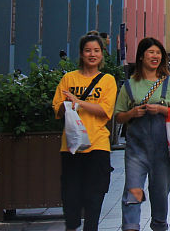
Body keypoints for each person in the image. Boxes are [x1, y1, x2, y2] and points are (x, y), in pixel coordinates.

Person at [113, 38, 170, 231]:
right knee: (134, 191)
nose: (155, 56)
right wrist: (131, 113)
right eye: (151, 52)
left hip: (162, 151)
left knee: (159, 193)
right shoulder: (129, 85)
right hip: (136, 152)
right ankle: (131, 226)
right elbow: (118, 116)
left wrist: (161, 110)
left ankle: (159, 225)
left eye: (158, 53)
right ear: (141, 56)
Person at [52, 33, 117, 231]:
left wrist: (78, 102)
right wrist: (66, 105)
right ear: (81, 54)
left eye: (96, 51)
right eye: (88, 50)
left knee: (94, 196)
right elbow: (57, 109)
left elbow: (105, 110)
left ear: (102, 54)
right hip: (71, 146)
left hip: (97, 144)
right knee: (70, 196)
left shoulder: (107, 81)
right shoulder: (68, 78)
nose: (92, 54)